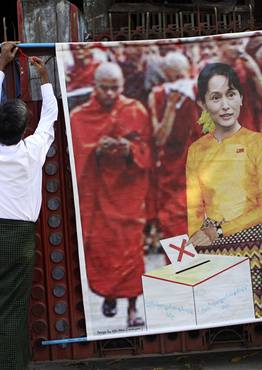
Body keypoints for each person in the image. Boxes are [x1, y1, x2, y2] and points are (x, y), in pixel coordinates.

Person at [0, 42, 58, 370]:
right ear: (25, 129)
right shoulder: (32, 152)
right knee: (17, 302)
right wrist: (45, 78)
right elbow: (49, 118)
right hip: (22, 238)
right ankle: (13, 361)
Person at [186, 62, 262, 318]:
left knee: (259, 314)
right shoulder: (197, 150)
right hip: (210, 243)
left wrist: (219, 231)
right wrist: (194, 238)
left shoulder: (260, 144)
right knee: (215, 315)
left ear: (241, 97)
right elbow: (193, 206)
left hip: (256, 243)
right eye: (215, 98)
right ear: (203, 105)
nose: (225, 105)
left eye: (231, 94)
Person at [70, 62, 152, 327]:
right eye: (104, 88)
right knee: (103, 252)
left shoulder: (135, 111)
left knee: (131, 253)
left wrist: (128, 149)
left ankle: (132, 309)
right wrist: (97, 149)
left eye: (114, 88)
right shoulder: (80, 117)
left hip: (127, 197)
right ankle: (109, 293)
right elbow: (76, 158)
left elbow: (149, 151)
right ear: (95, 86)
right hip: (97, 199)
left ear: (122, 86)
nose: (109, 94)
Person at [148, 52, 201, 238]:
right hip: (171, 171)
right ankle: (180, 267)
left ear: (188, 72)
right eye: (173, 77)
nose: (178, 82)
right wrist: (170, 107)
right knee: (172, 221)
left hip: (199, 169)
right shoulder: (158, 95)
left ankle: (206, 266)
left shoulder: (200, 90)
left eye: (181, 77)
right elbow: (159, 139)